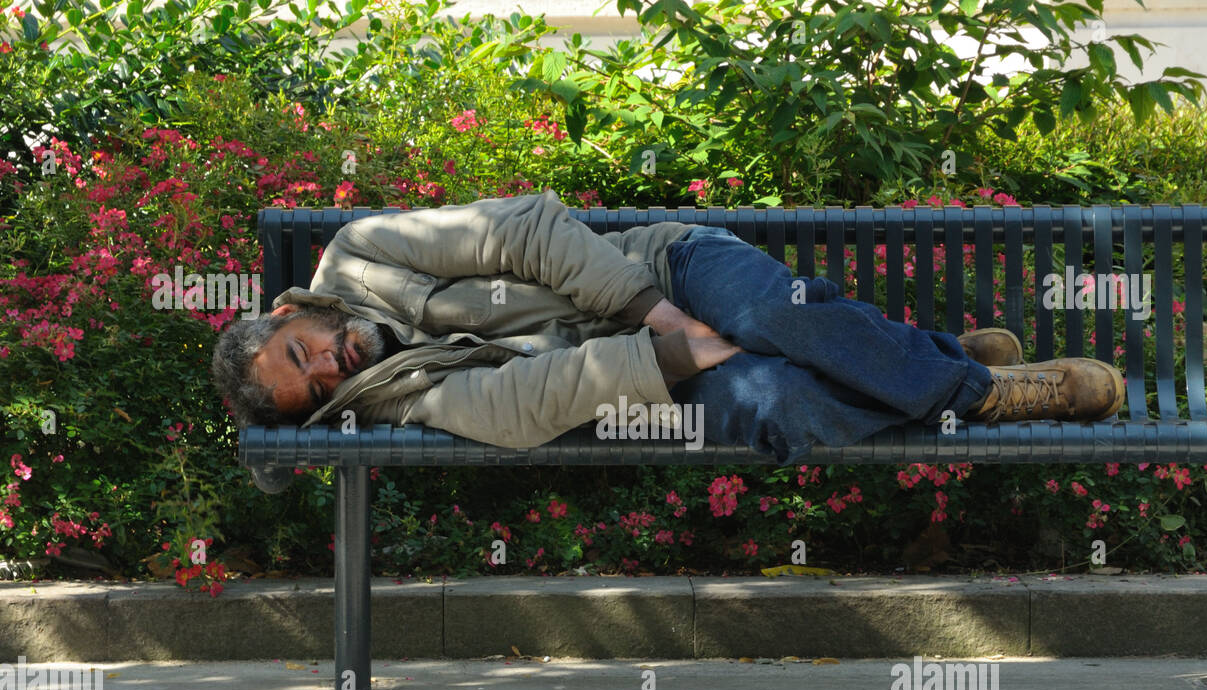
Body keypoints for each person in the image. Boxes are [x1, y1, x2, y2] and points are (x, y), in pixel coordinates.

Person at [212, 188, 1124, 473]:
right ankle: (950, 365)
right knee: (779, 406)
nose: (332, 365)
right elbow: (522, 403)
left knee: (773, 315)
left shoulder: (365, 250)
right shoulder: (389, 399)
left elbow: (520, 229)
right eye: (318, 388)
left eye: (306, 351)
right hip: (646, 376)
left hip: (665, 266)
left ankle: (982, 390)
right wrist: (666, 354)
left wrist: (657, 311)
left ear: (292, 312)